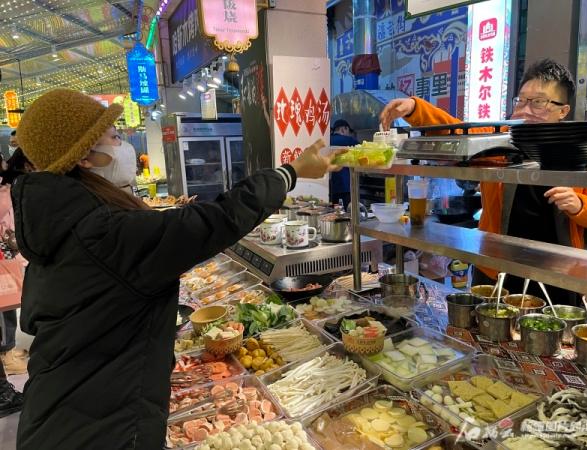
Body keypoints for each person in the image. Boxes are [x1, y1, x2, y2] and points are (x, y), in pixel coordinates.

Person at [13, 88, 341, 450]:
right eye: (114, 137)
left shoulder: (61, 220)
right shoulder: (102, 231)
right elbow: (217, 220)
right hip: (100, 426)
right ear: (85, 157)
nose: (123, 146)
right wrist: (290, 172)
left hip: (62, 408)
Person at [380, 59, 587, 304]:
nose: (526, 110)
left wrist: (579, 205)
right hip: (497, 269)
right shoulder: (501, 142)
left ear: (563, 110)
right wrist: (414, 108)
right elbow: (455, 132)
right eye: (522, 101)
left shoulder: (583, 153)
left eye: (538, 102)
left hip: (559, 274)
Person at [0, 145, 32, 376]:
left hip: (6, 251)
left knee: (8, 302)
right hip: (2, 252)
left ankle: (8, 350)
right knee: (4, 304)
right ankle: (6, 355)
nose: (5, 163)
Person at [329, 119, 359, 207]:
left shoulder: (327, 139)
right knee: (348, 212)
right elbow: (364, 151)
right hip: (346, 185)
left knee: (335, 212)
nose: (349, 134)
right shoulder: (349, 140)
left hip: (332, 186)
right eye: (349, 131)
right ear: (343, 129)